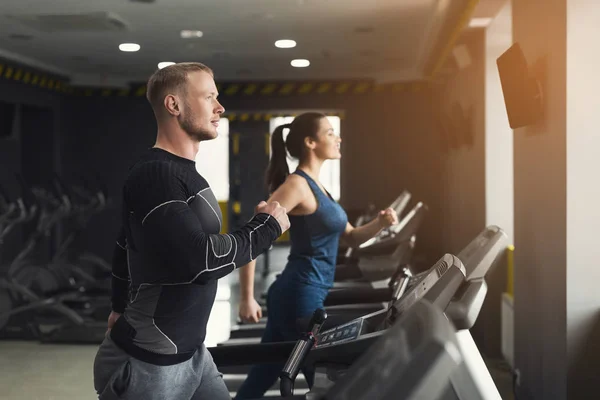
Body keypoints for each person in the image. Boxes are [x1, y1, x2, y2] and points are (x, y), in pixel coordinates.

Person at [92, 62, 290, 400]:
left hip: (192, 354)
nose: (220, 107)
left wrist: (118, 304)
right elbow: (200, 260)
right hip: (149, 363)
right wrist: (266, 227)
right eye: (208, 96)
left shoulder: (182, 173)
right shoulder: (155, 174)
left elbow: (125, 244)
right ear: (174, 105)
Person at [234, 112, 398, 399]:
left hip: (301, 292)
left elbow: (352, 237)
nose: (338, 138)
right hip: (300, 294)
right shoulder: (297, 186)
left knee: (262, 377)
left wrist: (380, 224)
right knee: (321, 379)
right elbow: (252, 237)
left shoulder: (318, 186)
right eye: (330, 133)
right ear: (310, 142)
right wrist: (246, 297)